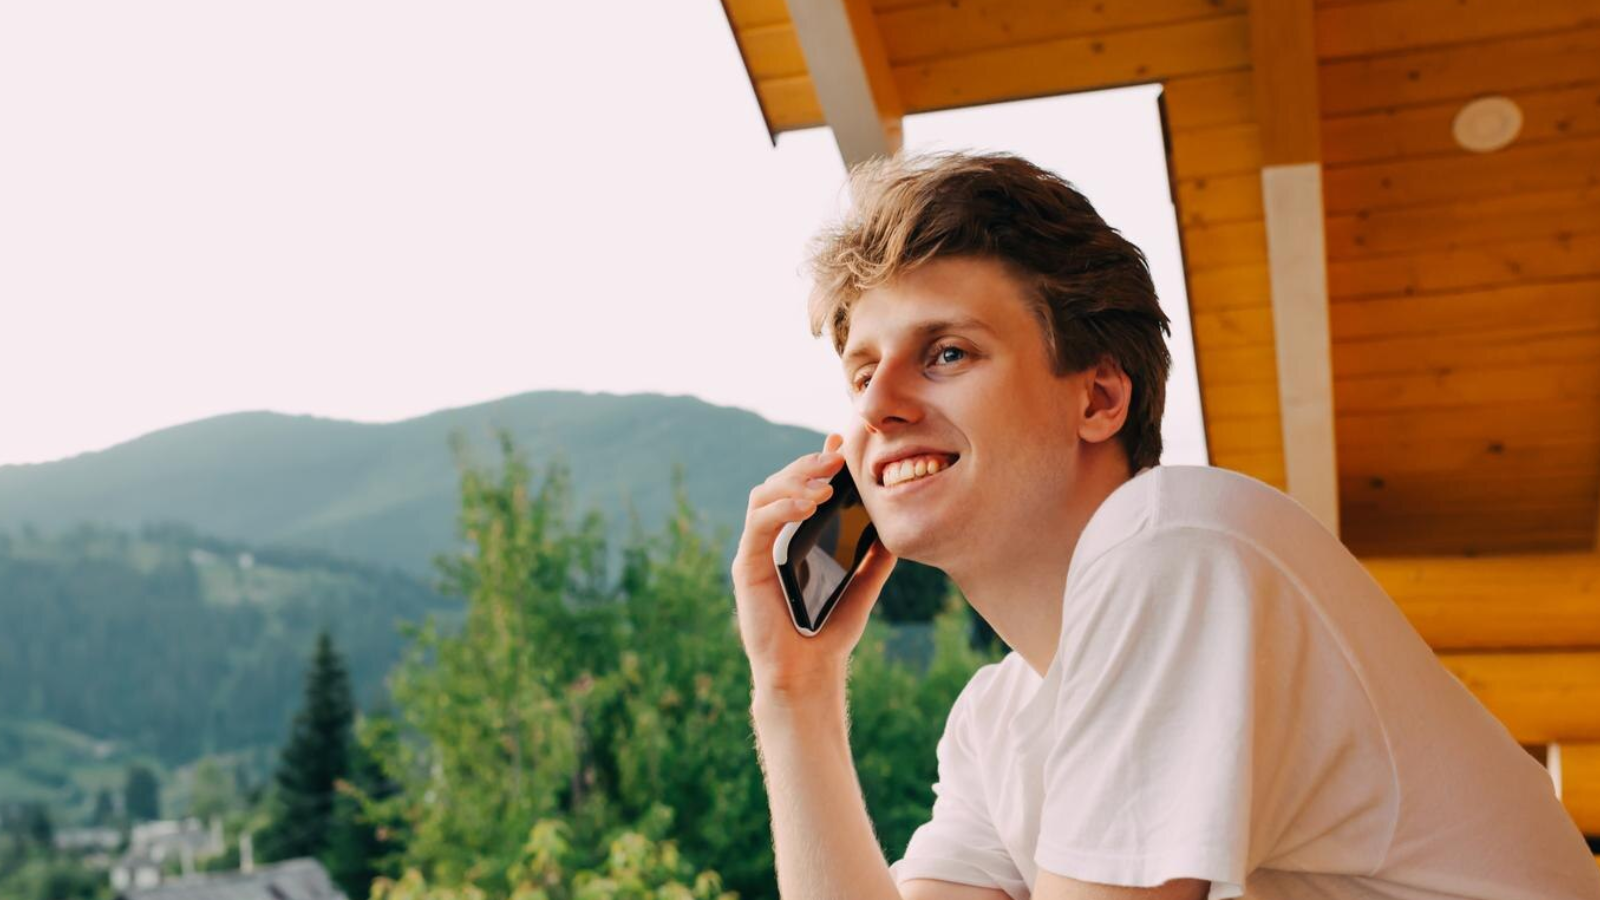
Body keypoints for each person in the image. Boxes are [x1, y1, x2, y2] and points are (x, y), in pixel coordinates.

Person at [729, 152, 1600, 900]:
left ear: (1100, 397)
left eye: (946, 353)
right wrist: (793, 693)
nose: (876, 408)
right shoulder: (995, 720)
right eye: (863, 371)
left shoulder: (1174, 544)